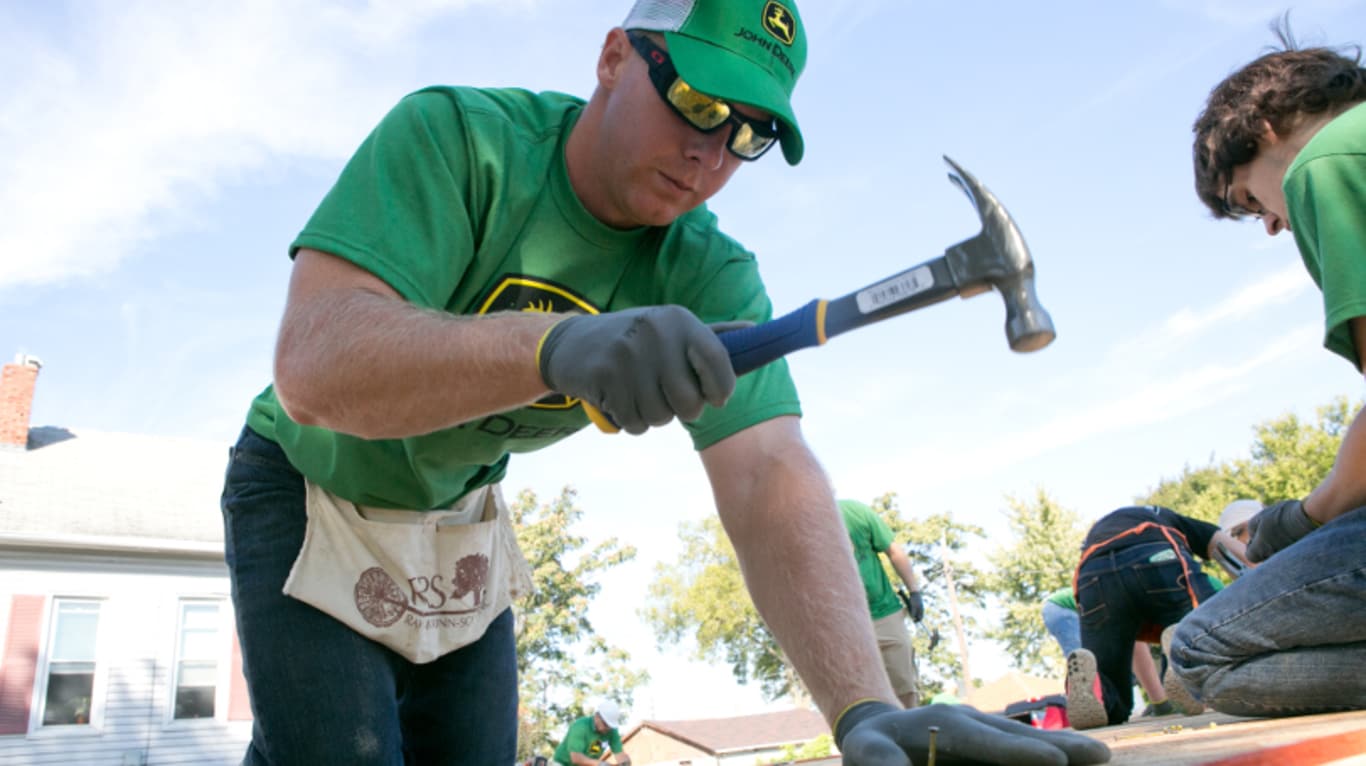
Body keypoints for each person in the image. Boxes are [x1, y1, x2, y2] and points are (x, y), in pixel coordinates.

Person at [218, 0, 1112, 763]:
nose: (711, 153)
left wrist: (864, 706)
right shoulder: (460, 140)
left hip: (460, 523)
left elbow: (769, 477)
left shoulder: (709, 270)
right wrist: (553, 346)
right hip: (309, 486)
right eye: (694, 101)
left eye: (750, 133)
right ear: (614, 56)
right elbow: (315, 365)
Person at [1170, 21, 1366, 718]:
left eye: (1247, 201)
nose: (1272, 227)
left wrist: (1298, 520)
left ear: (1264, 124)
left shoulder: (1327, 162)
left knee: (1196, 655)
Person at [1063, 505, 1249, 729]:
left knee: (1110, 682)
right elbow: (1237, 556)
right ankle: (1186, 662)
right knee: (1203, 626)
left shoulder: (1108, 526)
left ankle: (1100, 694)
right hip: (1156, 556)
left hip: (1093, 574)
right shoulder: (1181, 521)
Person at [838, 498, 925, 708]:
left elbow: (894, 551)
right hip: (844, 623)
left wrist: (914, 592)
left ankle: (913, 735)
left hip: (884, 613)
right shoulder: (802, 527)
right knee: (859, 697)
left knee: (905, 688)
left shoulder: (855, 512)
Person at [1041, 587, 1169, 718]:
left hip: (1078, 608)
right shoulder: (1137, 603)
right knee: (1085, 666)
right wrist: (1160, 702)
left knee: (1108, 665)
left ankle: (1107, 707)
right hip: (1063, 609)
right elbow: (1137, 647)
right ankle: (1092, 711)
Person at [552, 701, 630, 766]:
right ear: (597, 717)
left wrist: (624, 762)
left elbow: (619, 754)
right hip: (563, 763)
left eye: (610, 726)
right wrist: (600, 764)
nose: (607, 729)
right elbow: (576, 758)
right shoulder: (580, 727)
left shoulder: (612, 731)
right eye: (605, 724)